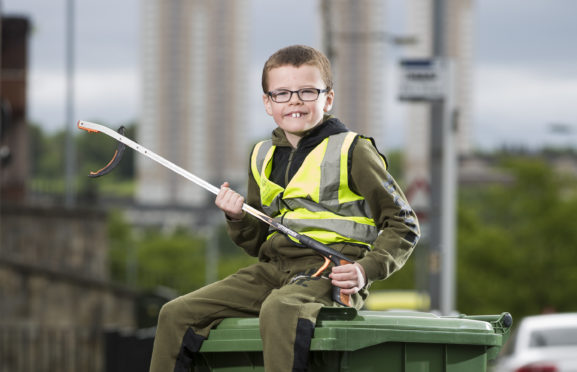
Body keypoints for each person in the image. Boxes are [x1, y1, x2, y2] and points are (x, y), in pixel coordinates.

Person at [149, 45, 420, 372]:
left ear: (328, 99)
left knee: (280, 309)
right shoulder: (260, 155)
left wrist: (366, 269)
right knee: (175, 313)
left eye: (307, 91)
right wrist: (236, 217)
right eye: (281, 93)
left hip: (330, 270)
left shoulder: (354, 150)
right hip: (274, 269)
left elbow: (404, 224)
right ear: (267, 102)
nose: (294, 101)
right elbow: (254, 242)